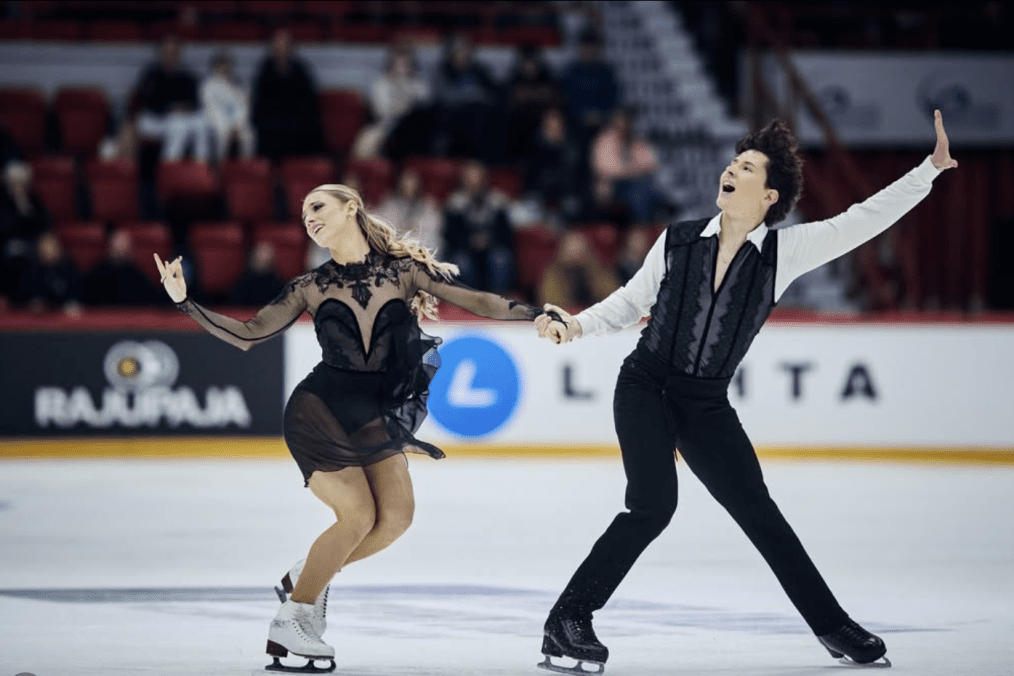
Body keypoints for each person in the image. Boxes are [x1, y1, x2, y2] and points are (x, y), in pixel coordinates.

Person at [534, 111, 958, 672]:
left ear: (769, 195)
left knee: (761, 514)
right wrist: (576, 325)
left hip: (706, 403)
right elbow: (631, 303)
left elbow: (863, 219)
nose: (730, 171)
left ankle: (832, 626)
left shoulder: (787, 252)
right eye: (733, 163)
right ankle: (568, 619)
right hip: (646, 385)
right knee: (653, 505)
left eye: (747, 168)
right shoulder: (679, 239)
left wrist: (929, 170)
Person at [153, 183, 563, 671]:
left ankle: (306, 574)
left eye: (318, 206)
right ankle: (291, 620)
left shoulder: (404, 272)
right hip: (318, 411)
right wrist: (185, 301)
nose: (309, 218)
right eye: (304, 213)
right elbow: (248, 334)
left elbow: (476, 300)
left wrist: (537, 313)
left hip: (371, 414)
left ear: (351, 208)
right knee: (357, 516)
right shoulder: (310, 285)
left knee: (397, 519)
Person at [134, 34, 210, 162]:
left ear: (179, 54)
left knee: (202, 123)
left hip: (182, 117)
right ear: (160, 54)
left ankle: (201, 164)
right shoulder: (151, 75)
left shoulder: (188, 76)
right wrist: (170, 108)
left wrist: (184, 108)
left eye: (174, 52)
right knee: (178, 125)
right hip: (154, 119)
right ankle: (169, 165)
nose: (170, 55)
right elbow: (149, 103)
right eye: (167, 52)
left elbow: (196, 103)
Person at [442, 160, 515, 293]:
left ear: (485, 179)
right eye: (470, 178)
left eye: (478, 178)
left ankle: (498, 299)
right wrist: (470, 242)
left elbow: (506, 234)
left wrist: (489, 240)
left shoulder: (497, 201)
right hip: (464, 249)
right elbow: (450, 236)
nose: (474, 183)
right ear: (463, 180)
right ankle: (470, 299)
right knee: (461, 262)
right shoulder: (455, 203)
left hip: (492, 247)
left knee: (501, 259)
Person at [251, 29, 323, 161]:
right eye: (278, 46)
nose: (281, 50)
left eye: (284, 46)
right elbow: (259, 104)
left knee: (310, 130)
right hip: (272, 123)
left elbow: (310, 103)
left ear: (291, 48)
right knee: (268, 131)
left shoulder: (301, 70)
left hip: (297, 121)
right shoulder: (265, 70)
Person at [352, 45, 430, 160]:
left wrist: (406, 95)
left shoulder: (419, 85)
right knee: (367, 139)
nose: (402, 67)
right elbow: (381, 112)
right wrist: (405, 104)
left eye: (406, 63)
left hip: (412, 128)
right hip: (387, 126)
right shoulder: (380, 83)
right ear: (391, 63)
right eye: (398, 63)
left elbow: (424, 109)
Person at [591, 107, 667, 225]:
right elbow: (608, 170)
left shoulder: (637, 139)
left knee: (650, 188)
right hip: (613, 186)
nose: (624, 125)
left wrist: (632, 170)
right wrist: (635, 170)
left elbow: (652, 163)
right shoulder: (605, 141)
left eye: (627, 121)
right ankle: (641, 226)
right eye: (620, 122)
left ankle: (653, 224)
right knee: (638, 193)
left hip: (636, 183)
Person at [0, 161, 52, 300]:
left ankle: (40, 298)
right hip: (9, 248)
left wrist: (25, 207)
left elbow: (44, 225)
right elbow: (6, 228)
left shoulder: (34, 202)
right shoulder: (3, 204)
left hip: (33, 245)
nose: (19, 187)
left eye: (21, 183)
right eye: (15, 183)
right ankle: (18, 300)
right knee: (18, 259)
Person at [537, 229, 619, 310]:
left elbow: (612, 297)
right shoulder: (554, 273)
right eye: (572, 246)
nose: (576, 250)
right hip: (567, 315)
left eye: (579, 246)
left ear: (588, 249)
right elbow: (552, 303)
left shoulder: (598, 270)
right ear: (563, 249)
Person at [201, 51, 256, 163]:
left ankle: (245, 165)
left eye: (227, 65)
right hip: (216, 122)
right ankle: (219, 165)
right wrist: (227, 125)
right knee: (223, 133)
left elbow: (244, 106)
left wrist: (237, 124)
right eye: (221, 66)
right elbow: (211, 108)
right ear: (215, 67)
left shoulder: (238, 84)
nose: (224, 68)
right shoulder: (208, 85)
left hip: (237, 123)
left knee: (249, 135)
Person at [81, 230, 161, 307]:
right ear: (109, 247)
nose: (119, 251)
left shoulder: (138, 278)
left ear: (130, 250)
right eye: (117, 248)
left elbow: (151, 303)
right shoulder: (96, 275)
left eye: (123, 247)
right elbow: (83, 302)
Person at [374, 168, 442, 253]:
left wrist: (414, 227)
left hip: (420, 247)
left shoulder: (428, 205)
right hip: (396, 248)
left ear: (418, 185)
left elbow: (433, 228)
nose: (408, 187)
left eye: (412, 183)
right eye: (405, 183)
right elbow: (382, 225)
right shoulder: (389, 203)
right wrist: (402, 228)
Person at [14, 230, 81, 313]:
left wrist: (72, 303)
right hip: (39, 316)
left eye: (51, 246)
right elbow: (22, 296)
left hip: (64, 314)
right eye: (44, 247)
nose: (48, 251)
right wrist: (33, 301)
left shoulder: (69, 268)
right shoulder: (31, 270)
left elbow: (77, 294)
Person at [231, 241, 285, 306]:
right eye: (260, 253)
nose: (263, 257)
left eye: (266, 254)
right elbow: (236, 305)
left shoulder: (277, 284)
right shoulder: (243, 283)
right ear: (253, 257)